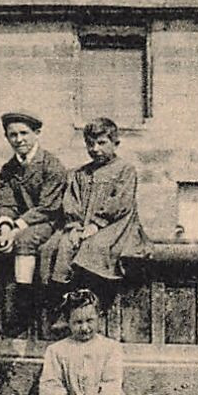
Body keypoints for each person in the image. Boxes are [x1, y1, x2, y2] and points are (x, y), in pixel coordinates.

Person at [0, 112, 66, 342]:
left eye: (24, 133)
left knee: (25, 241)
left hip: (44, 221)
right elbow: (6, 202)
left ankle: (23, 310)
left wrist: (15, 231)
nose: (19, 139)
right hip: (16, 223)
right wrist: (6, 229)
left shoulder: (52, 165)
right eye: (12, 135)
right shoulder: (8, 168)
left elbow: (48, 207)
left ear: (36, 134)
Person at [38, 118, 150, 306]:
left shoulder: (125, 170)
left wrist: (96, 224)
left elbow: (121, 202)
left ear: (115, 144)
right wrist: (74, 226)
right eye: (90, 144)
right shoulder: (81, 173)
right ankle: (61, 301)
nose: (95, 149)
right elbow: (72, 201)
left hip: (116, 225)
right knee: (58, 246)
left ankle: (91, 305)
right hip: (82, 226)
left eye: (101, 143)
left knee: (94, 248)